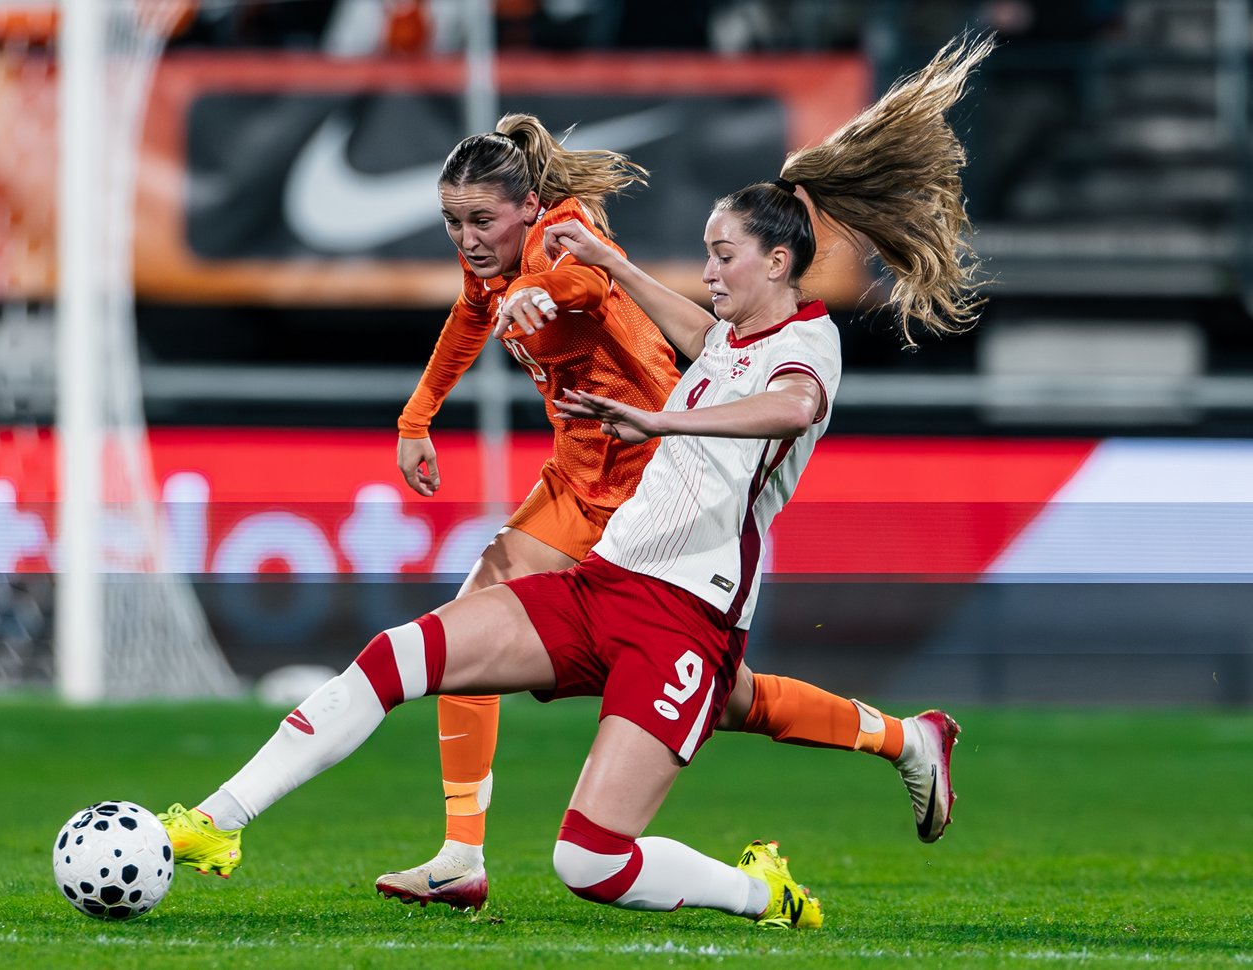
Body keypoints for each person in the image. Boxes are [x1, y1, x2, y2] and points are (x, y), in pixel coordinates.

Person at [157, 31, 991, 929]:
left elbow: (784, 407)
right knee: (404, 653)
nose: (706, 271)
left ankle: (768, 889)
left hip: (683, 607)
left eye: (721, 256)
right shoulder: (728, 341)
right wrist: (611, 282)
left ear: (777, 264)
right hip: (607, 577)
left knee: (594, 853)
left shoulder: (804, 345)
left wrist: (639, 387)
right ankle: (221, 821)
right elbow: (661, 319)